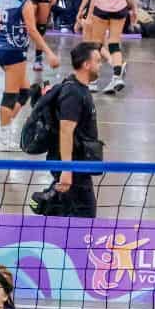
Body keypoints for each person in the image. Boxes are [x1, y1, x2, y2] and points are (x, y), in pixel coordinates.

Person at [29, 43, 103, 218]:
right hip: (73, 167)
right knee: (85, 214)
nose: (101, 65)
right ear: (87, 65)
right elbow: (65, 131)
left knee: (65, 212)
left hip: (78, 165)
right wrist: (67, 169)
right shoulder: (73, 93)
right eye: (98, 61)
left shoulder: (79, 88)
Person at [0, 0, 58, 153]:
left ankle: (3, 128)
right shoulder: (25, 2)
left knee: (25, 91)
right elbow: (32, 30)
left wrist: (5, 39)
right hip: (14, 52)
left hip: (2, 49)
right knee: (10, 95)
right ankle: (4, 139)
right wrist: (49, 52)